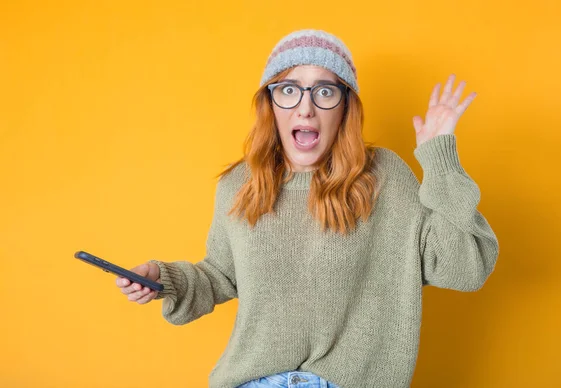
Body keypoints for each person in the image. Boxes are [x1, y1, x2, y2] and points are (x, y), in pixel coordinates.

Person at [115, 29, 499, 388]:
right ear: (270, 102)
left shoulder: (384, 177)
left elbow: (464, 268)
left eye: (324, 92)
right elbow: (219, 275)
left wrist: (440, 160)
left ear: (345, 105)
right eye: (288, 90)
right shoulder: (239, 185)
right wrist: (165, 280)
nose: (306, 109)